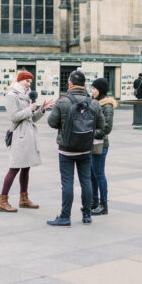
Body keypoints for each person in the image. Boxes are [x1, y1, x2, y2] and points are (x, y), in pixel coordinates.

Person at [46, 70, 105, 227]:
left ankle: (65, 216)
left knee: (67, 182)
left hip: (66, 148)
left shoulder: (62, 101)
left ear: (70, 84)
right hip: (85, 149)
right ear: (85, 84)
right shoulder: (93, 102)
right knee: (86, 181)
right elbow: (102, 126)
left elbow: (52, 123)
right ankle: (86, 215)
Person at [0, 71, 54, 213]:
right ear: (19, 80)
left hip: (29, 135)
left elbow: (32, 118)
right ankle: (2, 200)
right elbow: (14, 117)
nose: (29, 83)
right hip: (19, 135)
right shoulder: (12, 95)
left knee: (26, 167)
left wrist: (41, 109)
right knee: (14, 167)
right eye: (26, 81)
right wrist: (30, 109)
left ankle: (24, 199)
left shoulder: (28, 94)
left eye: (30, 81)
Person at [89, 78, 116, 216]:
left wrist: (90, 133)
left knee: (99, 174)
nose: (91, 91)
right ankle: (94, 201)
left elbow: (107, 128)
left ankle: (103, 205)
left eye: (94, 88)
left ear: (100, 90)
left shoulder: (107, 106)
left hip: (100, 144)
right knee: (92, 174)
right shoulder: (95, 103)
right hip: (93, 143)